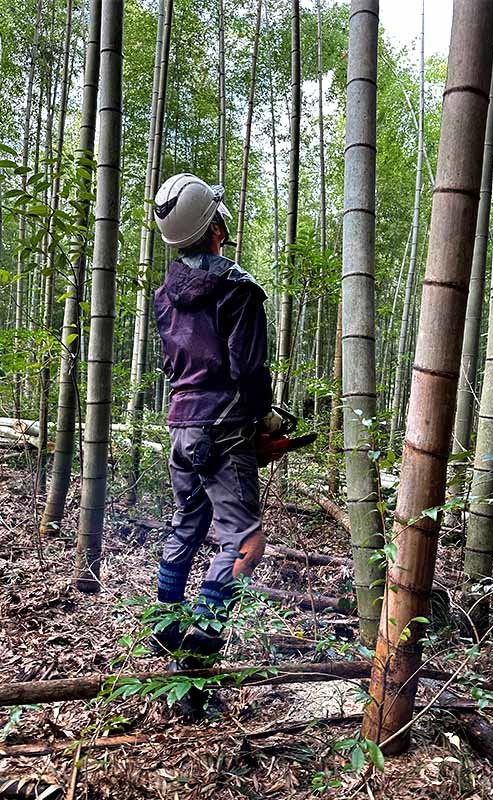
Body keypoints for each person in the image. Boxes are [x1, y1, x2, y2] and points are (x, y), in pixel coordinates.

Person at [151, 173, 282, 657]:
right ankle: (200, 648)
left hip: (181, 423)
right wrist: (263, 417)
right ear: (216, 228)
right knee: (246, 540)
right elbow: (247, 368)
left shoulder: (164, 296)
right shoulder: (238, 289)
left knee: (188, 521)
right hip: (223, 423)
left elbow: (173, 365)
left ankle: (163, 630)